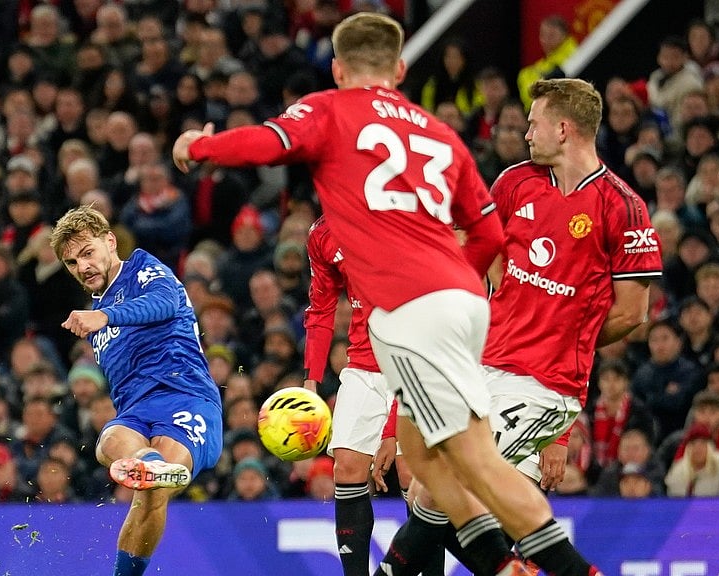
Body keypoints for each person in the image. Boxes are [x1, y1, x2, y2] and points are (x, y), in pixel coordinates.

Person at [172, 12, 590, 576]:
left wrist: (201, 147)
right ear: (399, 68)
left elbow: (267, 142)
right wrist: (451, 291)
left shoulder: (331, 107)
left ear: (339, 68)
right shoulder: (439, 133)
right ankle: (501, 564)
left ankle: (567, 571)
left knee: (472, 461)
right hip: (463, 305)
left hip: (412, 311)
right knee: (425, 460)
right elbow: (490, 234)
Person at [379, 77, 661, 575]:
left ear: (563, 128)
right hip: (486, 368)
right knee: (429, 490)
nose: (524, 133)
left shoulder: (623, 208)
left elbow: (632, 312)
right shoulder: (515, 182)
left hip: (545, 385)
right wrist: (507, 304)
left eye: (532, 124)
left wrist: (562, 336)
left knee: (443, 490)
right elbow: (483, 244)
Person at [50, 206, 223, 576]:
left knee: (152, 488)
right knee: (108, 443)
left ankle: (158, 466)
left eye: (88, 253)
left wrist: (106, 316)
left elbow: (163, 304)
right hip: (136, 412)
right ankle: (150, 464)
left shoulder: (143, 269)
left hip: (186, 397)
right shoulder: (97, 312)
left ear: (110, 242)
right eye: (71, 263)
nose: (82, 267)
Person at [303, 215, 440, 576]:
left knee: (414, 477)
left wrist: (392, 427)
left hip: (417, 360)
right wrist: (311, 381)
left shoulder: (402, 222)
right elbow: (320, 308)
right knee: (347, 466)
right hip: (364, 364)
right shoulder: (322, 234)